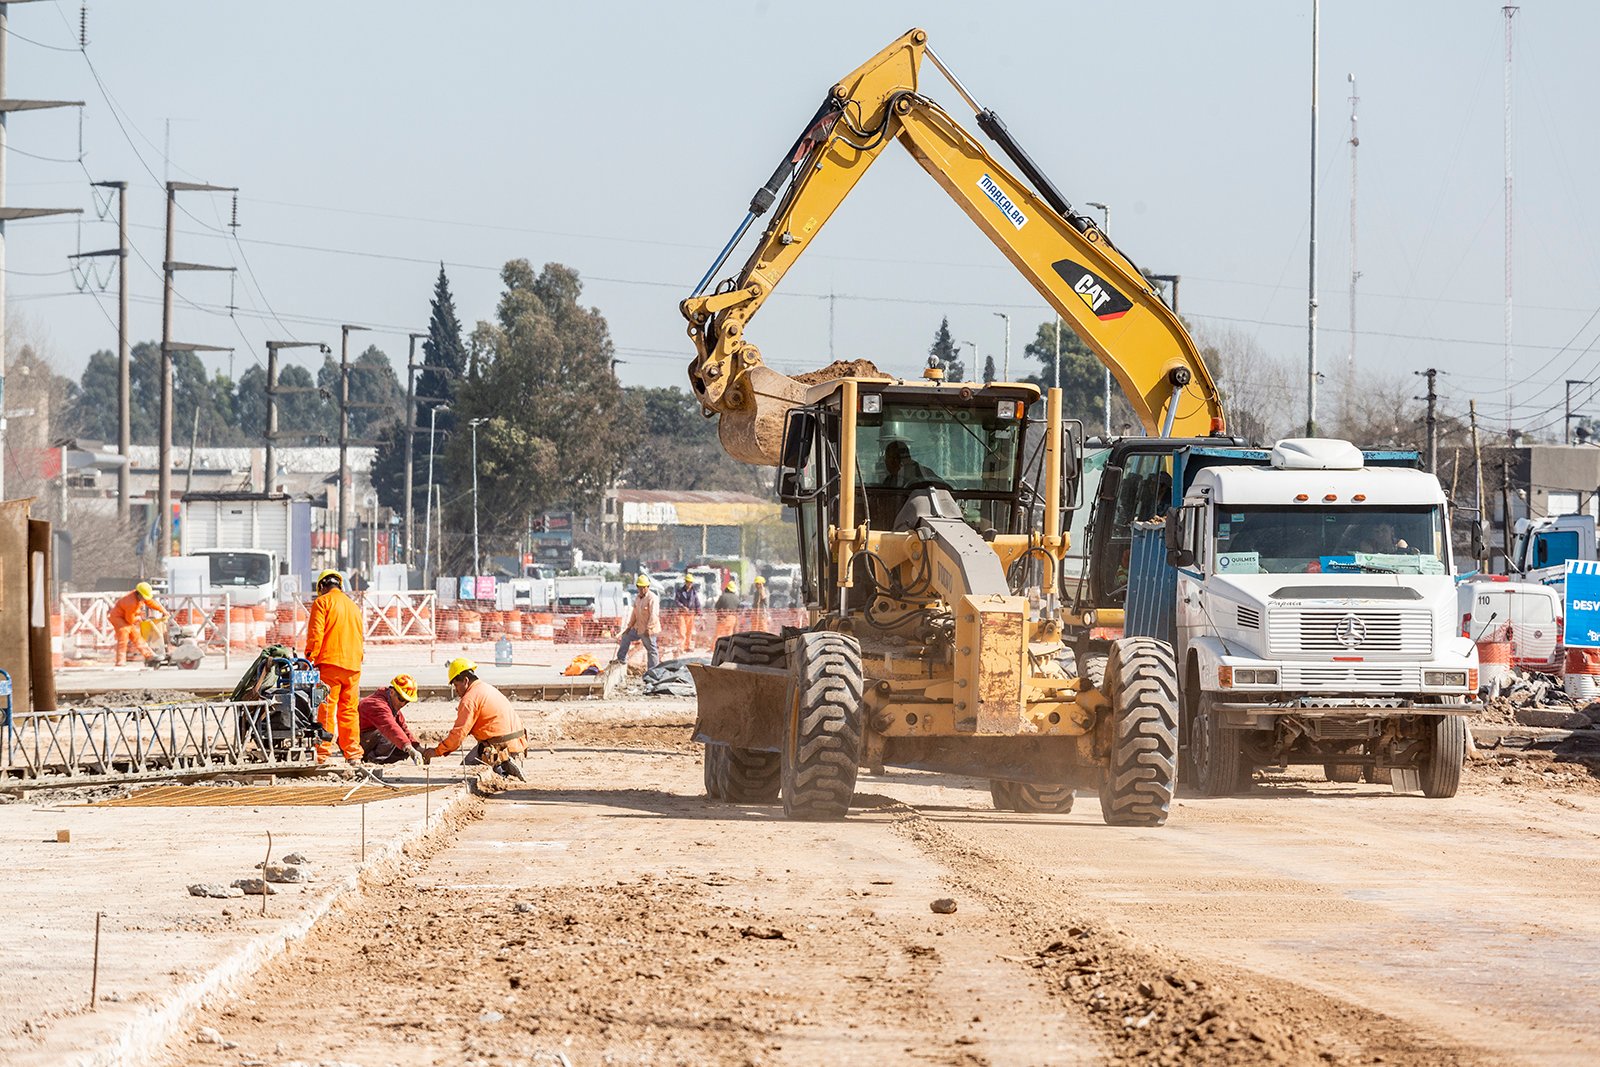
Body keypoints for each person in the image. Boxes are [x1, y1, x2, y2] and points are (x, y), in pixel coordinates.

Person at [303, 569, 365, 763]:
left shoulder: (322, 602)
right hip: (353, 665)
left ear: (321, 586)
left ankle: (322, 753)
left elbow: (316, 635)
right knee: (349, 710)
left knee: (327, 708)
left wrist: (309, 659)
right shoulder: (353, 606)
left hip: (331, 663)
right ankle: (353, 754)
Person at [433, 657, 527, 780]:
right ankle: (503, 764)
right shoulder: (486, 688)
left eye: (456, 685)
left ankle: (501, 769)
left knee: (464, 773)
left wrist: (436, 751)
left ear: (466, 681)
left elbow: (458, 736)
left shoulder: (470, 699)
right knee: (475, 756)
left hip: (501, 747)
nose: (456, 690)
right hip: (518, 744)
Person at [358, 673, 425, 765]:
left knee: (403, 745)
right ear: (392, 692)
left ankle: (376, 759)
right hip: (356, 743)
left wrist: (418, 749)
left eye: (407, 701)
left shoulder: (392, 705)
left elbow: (403, 728)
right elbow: (390, 727)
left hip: (369, 741)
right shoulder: (377, 704)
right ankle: (371, 761)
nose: (403, 704)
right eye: (401, 699)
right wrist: (409, 748)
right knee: (392, 735)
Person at [110, 581, 166, 667]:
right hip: (118, 618)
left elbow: (150, 602)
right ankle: (120, 661)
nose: (145, 599)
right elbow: (130, 620)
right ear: (139, 594)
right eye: (144, 597)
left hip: (127, 618)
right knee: (123, 637)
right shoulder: (131, 603)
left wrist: (162, 610)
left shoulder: (140, 597)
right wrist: (138, 618)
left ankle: (149, 655)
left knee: (137, 637)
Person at [617, 574, 662, 669]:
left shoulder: (652, 598)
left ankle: (653, 671)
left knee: (651, 650)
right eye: (639, 587)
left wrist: (648, 628)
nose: (641, 590)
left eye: (643, 588)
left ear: (648, 587)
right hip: (639, 628)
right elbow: (634, 613)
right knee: (626, 636)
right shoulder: (637, 598)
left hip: (649, 630)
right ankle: (621, 660)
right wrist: (629, 627)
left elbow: (654, 615)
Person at [672, 573, 701, 652]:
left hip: (691, 614)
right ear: (685, 582)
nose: (689, 584)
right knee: (682, 631)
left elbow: (697, 602)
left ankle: (687, 647)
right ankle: (681, 647)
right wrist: (683, 607)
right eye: (688, 582)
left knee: (689, 631)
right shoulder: (680, 591)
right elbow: (676, 601)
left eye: (691, 582)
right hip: (682, 614)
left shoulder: (693, 592)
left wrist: (698, 611)